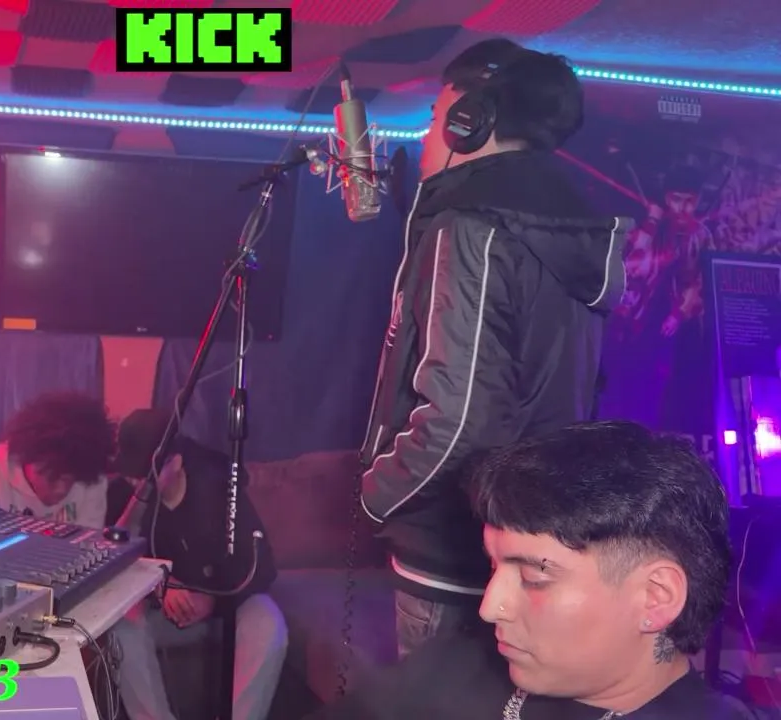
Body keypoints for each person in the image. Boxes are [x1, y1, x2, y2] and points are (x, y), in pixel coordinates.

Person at [358, 37, 629, 657]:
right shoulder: (570, 226)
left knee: (436, 699)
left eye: (433, 117)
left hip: (451, 547)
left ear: (468, 121)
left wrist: (375, 497)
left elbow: (458, 420)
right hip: (532, 539)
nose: (426, 136)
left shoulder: (470, 227)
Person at [316, 421, 750, 719]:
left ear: (655, 597)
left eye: (533, 578)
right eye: (493, 566)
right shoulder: (462, 662)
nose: (490, 607)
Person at [106, 409, 287, 720]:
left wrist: (214, 600)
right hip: (162, 613)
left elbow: (262, 568)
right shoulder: (123, 494)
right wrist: (159, 584)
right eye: (130, 473)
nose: (136, 483)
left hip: (225, 609)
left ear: (175, 462)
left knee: (269, 624)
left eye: (144, 475)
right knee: (119, 625)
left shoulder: (220, 490)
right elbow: (112, 565)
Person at [0, 391, 115, 526]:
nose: (61, 490)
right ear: (27, 459)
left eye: (69, 480)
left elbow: (88, 543)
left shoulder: (92, 479)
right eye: (51, 478)